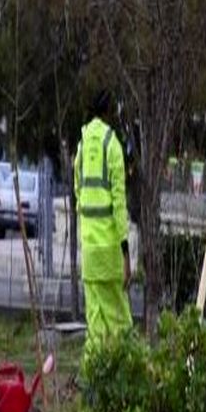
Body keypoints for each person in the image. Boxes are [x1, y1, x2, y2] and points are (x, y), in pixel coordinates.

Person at [74, 89, 132, 351]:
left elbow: (78, 190)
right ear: (109, 113)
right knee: (120, 323)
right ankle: (126, 380)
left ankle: (93, 382)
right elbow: (119, 204)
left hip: (88, 248)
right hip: (109, 251)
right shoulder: (113, 145)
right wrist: (126, 252)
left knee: (95, 324)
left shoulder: (83, 145)